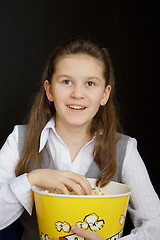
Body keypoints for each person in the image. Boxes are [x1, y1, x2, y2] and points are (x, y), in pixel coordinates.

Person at [0, 38, 160, 240]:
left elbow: (156, 224)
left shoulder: (124, 148)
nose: (77, 94)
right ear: (49, 90)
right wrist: (34, 178)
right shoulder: (19, 139)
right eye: (67, 82)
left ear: (104, 94)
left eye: (90, 83)